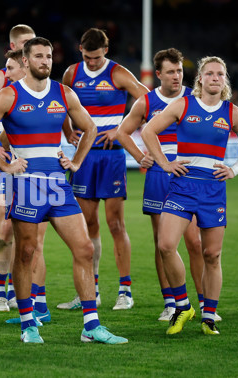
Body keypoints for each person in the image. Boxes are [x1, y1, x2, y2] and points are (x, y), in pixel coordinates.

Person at [0, 37, 128, 345]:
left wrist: (77, 160)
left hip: (57, 184)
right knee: (26, 253)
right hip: (26, 185)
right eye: (39, 56)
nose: (45, 61)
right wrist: (4, 165)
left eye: (49, 56)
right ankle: (29, 324)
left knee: (84, 248)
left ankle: (91, 327)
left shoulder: (64, 93)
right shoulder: (8, 95)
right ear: (25, 61)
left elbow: (90, 128)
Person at [141, 56, 238, 335]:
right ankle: (182, 306)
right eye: (210, 73)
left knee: (212, 254)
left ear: (224, 80)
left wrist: (234, 169)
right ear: (201, 79)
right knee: (166, 244)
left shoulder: (232, 112)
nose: (216, 78)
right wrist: (165, 163)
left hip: (213, 190)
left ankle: (209, 315)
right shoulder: (183, 104)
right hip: (182, 186)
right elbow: (148, 131)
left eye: (220, 74)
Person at [116, 48, 220, 321]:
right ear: (158, 74)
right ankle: (171, 302)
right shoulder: (147, 102)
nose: (177, 77)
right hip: (160, 175)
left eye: (180, 71)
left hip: (190, 173)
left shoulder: (194, 98)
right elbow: (123, 133)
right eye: (171, 72)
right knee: (163, 243)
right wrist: (142, 157)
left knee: (195, 243)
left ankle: (201, 300)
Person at [58, 28, 149, 311]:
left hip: (111, 158)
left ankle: (125, 290)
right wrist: (69, 130)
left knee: (115, 224)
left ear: (105, 52)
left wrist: (121, 129)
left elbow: (147, 100)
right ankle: (91, 290)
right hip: (83, 159)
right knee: (88, 225)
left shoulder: (118, 73)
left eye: (97, 57)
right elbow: (60, 104)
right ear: (80, 50)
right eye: (88, 57)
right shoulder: (72, 74)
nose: (93, 62)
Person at [0, 24, 49, 314]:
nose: (31, 48)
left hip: (38, 170)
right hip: (8, 168)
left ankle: (27, 296)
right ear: (14, 46)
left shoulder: (43, 79)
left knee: (34, 238)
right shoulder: (0, 78)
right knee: (5, 230)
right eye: (25, 44)